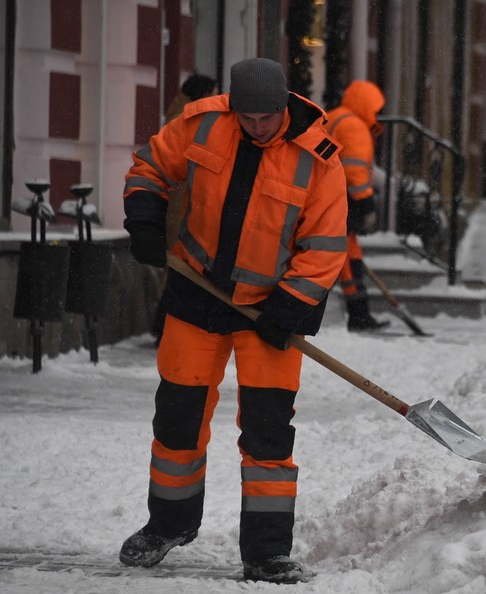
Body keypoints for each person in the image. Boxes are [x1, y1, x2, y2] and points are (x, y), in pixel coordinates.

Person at [120, 57, 348, 584]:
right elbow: (150, 165)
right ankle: (168, 524)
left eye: (266, 117)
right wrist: (146, 219)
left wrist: (289, 307)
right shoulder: (203, 123)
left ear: (284, 105)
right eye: (247, 117)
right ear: (233, 106)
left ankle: (266, 552)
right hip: (196, 295)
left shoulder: (318, 159)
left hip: (267, 311)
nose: (257, 127)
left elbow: (324, 245)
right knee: (178, 417)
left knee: (268, 432)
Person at [152, 73, 219, 343]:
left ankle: (163, 324)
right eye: (213, 91)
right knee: (180, 265)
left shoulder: (181, 113)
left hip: (178, 202)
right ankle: (164, 325)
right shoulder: (190, 119)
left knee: (179, 265)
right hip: (182, 204)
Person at [324, 80, 390, 332]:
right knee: (347, 258)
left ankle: (359, 313)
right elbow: (355, 170)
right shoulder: (355, 126)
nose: (379, 115)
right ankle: (358, 314)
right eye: (377, 108)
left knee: (347, 254)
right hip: (342, 200)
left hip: (327, 197)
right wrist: (367, 205)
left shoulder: (335, 118)